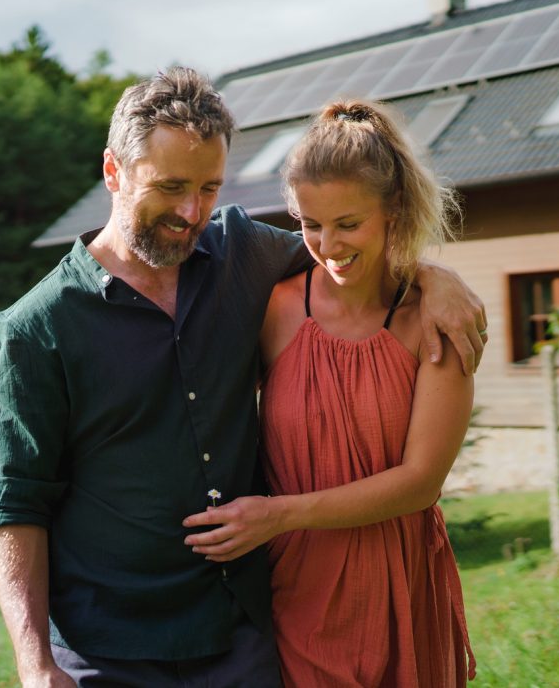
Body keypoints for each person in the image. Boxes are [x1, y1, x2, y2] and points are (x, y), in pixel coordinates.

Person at [0, 69, 487, 688]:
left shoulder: (243, 254)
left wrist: (438, 278)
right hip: (106, 648)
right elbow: (14, 504)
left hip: (240, 633)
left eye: (209, 187)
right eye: (169, 187)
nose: (191, 212)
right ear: (113, 172)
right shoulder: (40, 326)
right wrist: (35, 664)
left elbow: (355, 254)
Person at [184, 99, 478, 686]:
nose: (329, 244)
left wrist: (278, 515)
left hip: (401, 582)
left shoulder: (437, 322)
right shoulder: (276, 307)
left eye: (349, 224)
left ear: (393, 209)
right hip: (298, 589)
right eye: (310, 225)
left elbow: (421, 483)